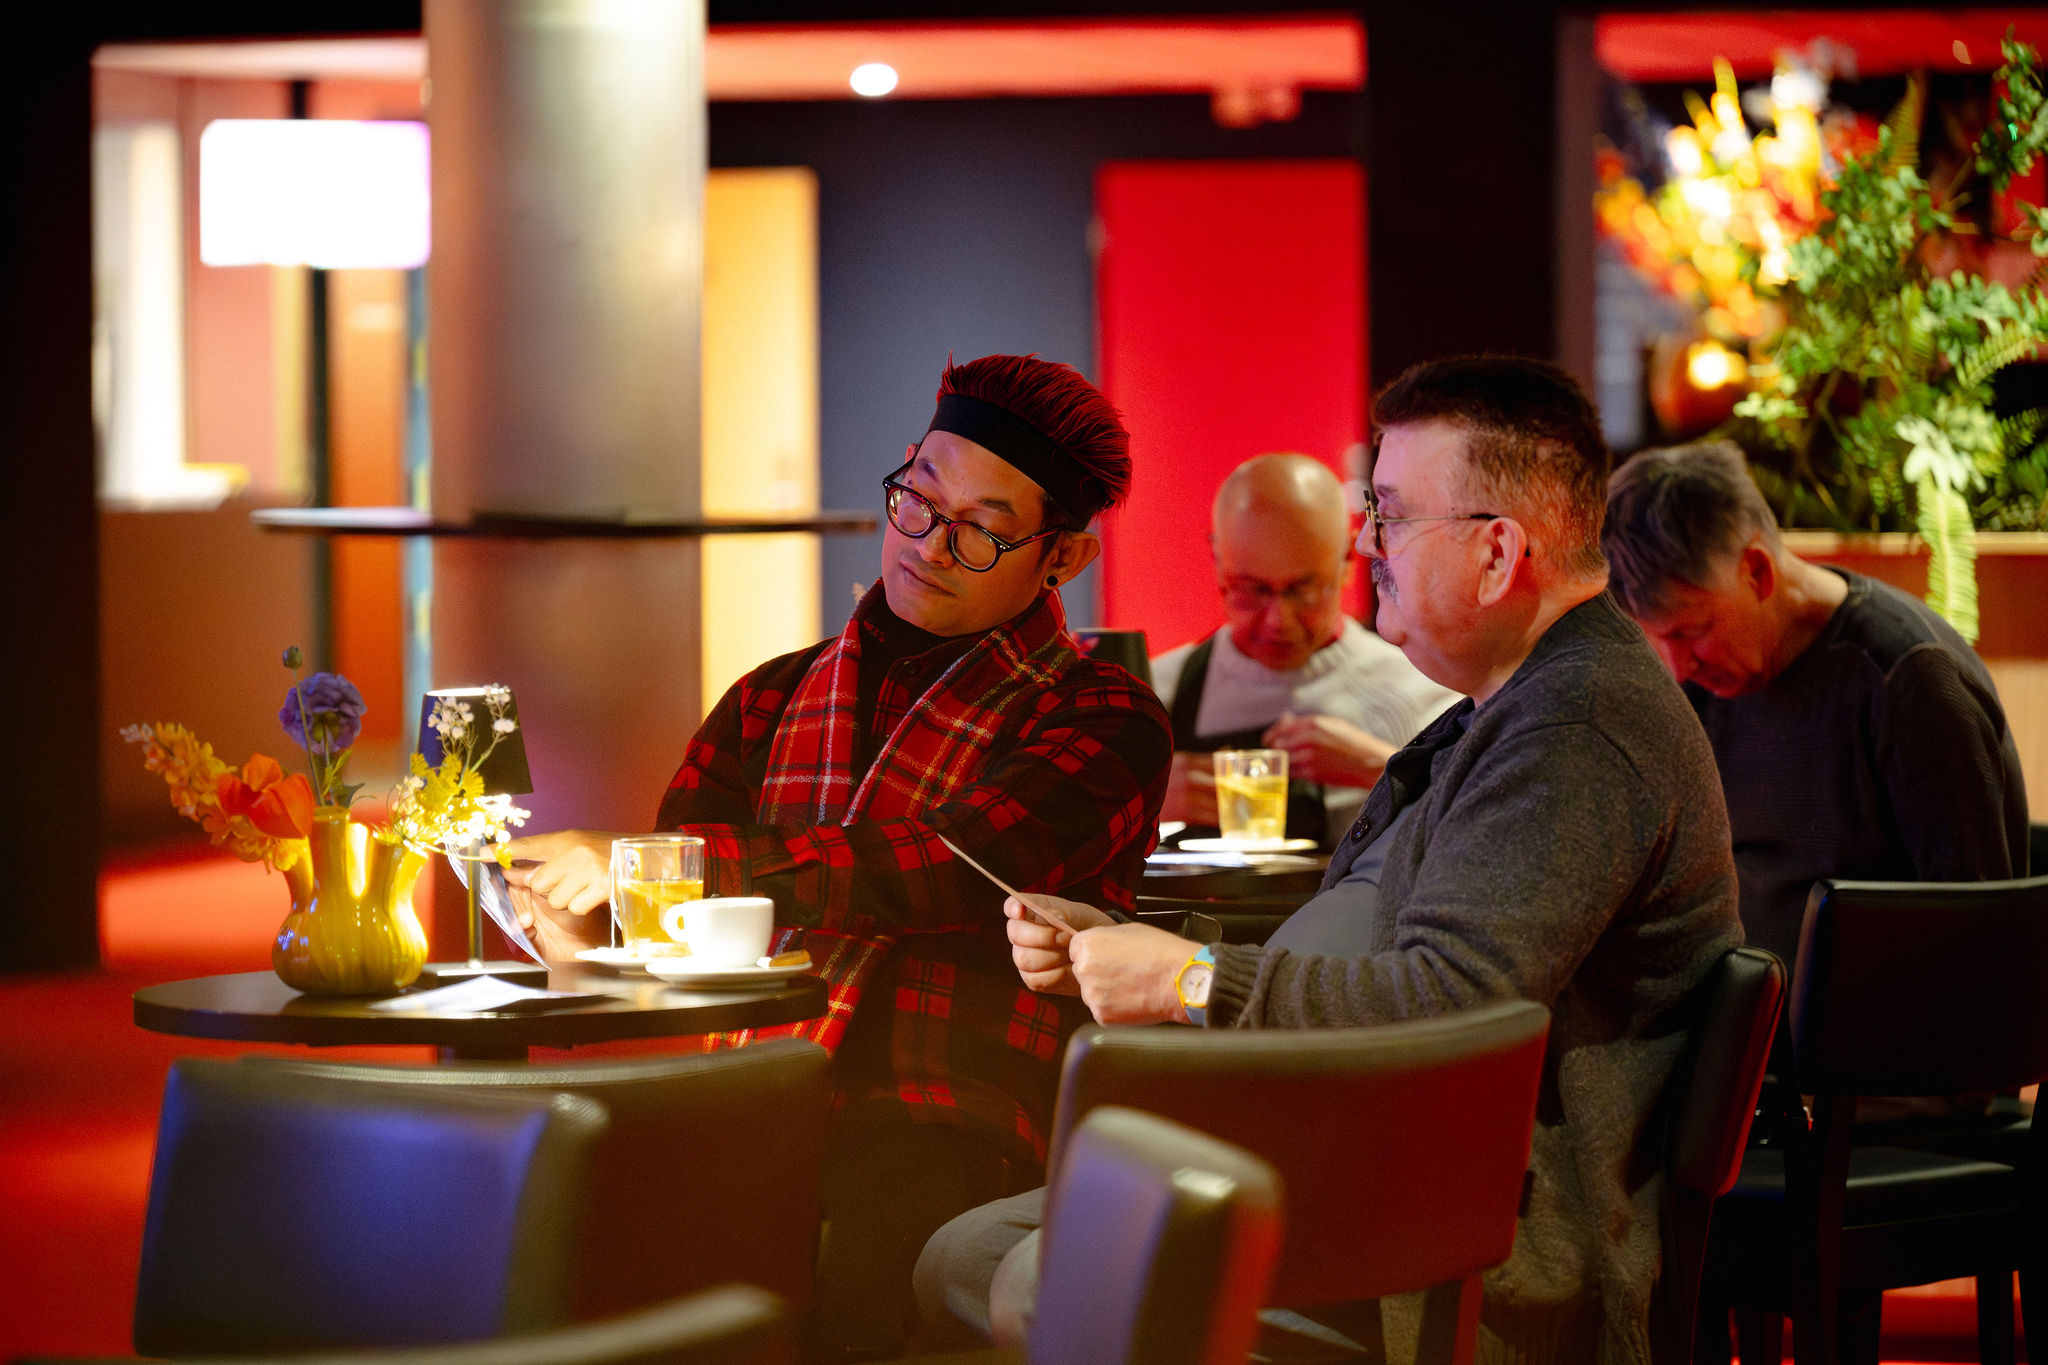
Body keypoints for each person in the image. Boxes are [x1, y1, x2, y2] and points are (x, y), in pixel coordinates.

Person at [917, 356, 1742, 1365]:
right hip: (1370, 1170)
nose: (1367, 545)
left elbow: (1451, 1003)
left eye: (1391, 515)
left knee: (1033, 1277)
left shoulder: (1578, 728)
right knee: (961, 1255)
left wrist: (1186, 979)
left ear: (1496, 553)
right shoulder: (1515, 706)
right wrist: (1132, 946)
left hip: (1465, 1250)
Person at [502, 354, 1172, 1361]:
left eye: (982, 530)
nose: (929, 545)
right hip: (748, 1081)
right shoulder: (768, 696)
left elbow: (941, 865)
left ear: (1063, 557)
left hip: (953, 1105)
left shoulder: (1103, 714)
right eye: (919, 500)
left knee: (865, 1272)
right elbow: (669, 924)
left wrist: (670, 864)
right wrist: (590, 922)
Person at [1602, 439, 2028, 966]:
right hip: (1738, 996)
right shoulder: (1700, 681)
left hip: (1871, 1007)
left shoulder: (1908, 681)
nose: (1677, 667)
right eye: (1655, 639)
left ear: (1757, 570)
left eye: (1693, 631)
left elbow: (1976, 935)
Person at [1152, 453, 1457, 847]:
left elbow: (1487, 830)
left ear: (1347, 561)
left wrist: (1384, 769)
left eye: (1303, 590)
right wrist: (1141, 805)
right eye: (1252, 590)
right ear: (1217, 560)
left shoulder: (1426, 696)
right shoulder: (1155, 693)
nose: (1278, 620)